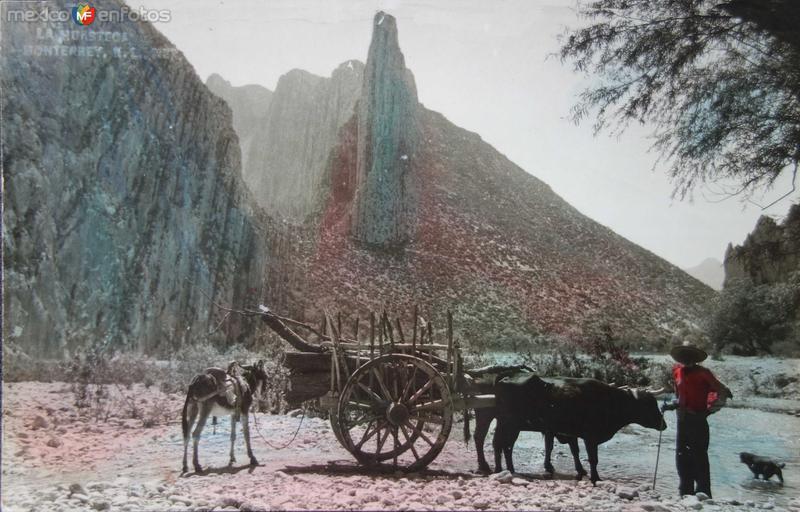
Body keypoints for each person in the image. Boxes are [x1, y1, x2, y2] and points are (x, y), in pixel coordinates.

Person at [663, 342, 732, 498]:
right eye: (684, 356)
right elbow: (679, 397)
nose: (687, 359)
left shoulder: (704, 373)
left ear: (695, 358)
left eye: (690, 356)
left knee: (699, 455)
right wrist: (671, 405)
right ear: (681, 358)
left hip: (698, 419)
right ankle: (685, 491)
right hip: (682, 420)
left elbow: (722, 392)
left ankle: (703, 492)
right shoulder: (677, 372)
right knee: (681, 455)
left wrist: (709, 410)